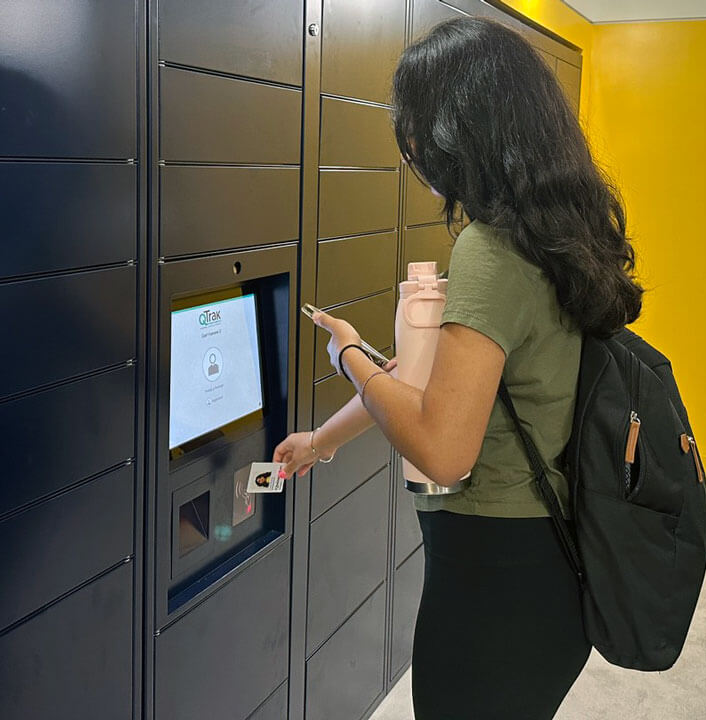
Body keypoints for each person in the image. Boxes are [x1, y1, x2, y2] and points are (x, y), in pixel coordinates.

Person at [274, 16, 643, 720]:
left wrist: (349, 354)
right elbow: (435, 388)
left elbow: (443, 446)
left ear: (458, 129)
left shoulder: (492, 251)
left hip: (494, 579)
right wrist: (323, 440)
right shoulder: (562, 231)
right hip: (547, 566)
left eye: (415, 125)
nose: (410, 145)